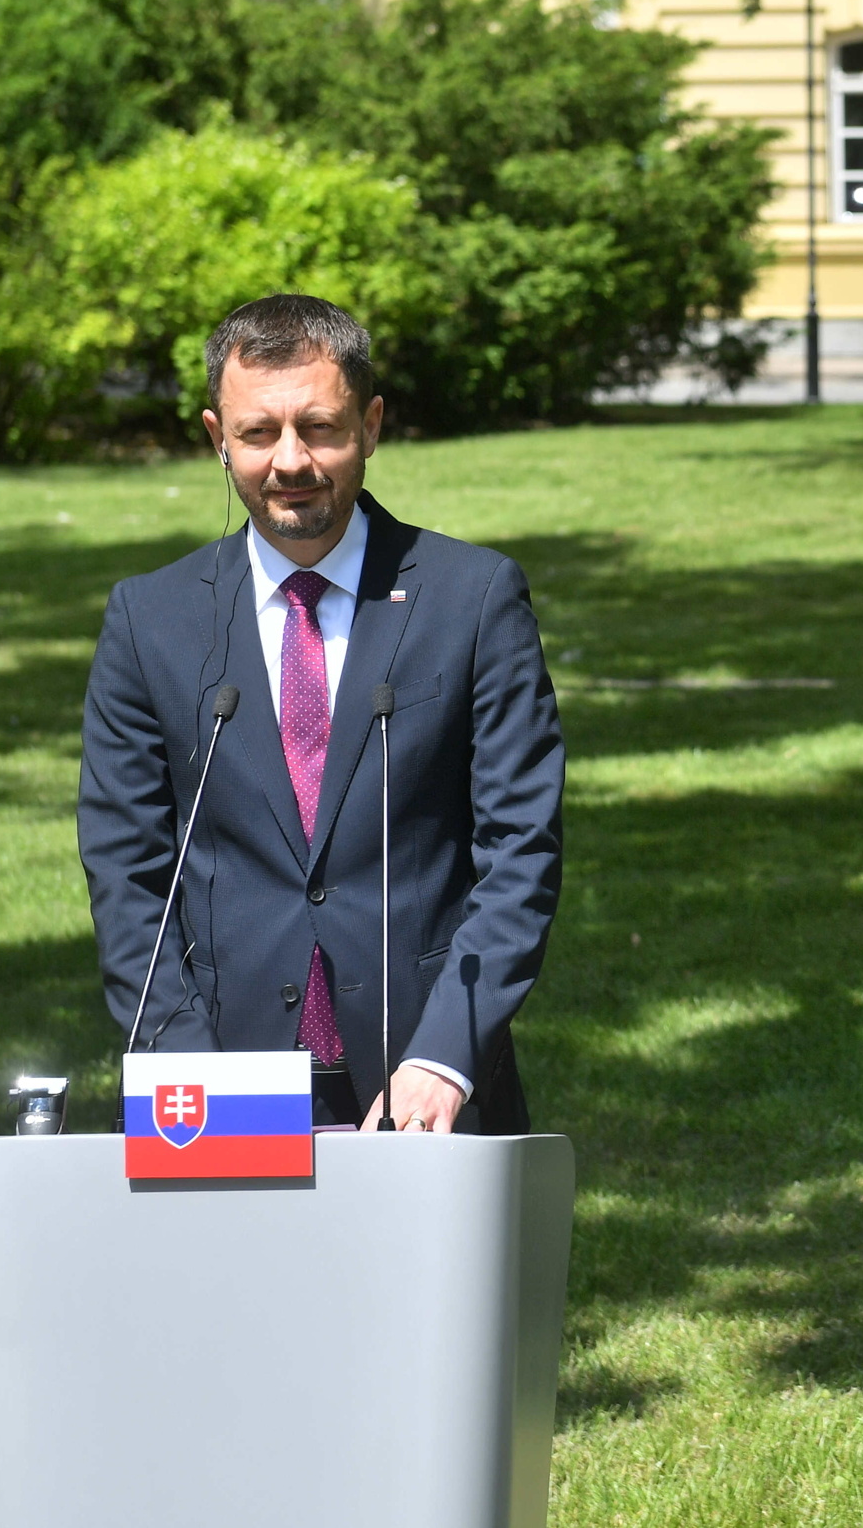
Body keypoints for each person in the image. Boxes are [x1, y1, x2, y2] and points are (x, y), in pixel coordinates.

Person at [80, 294, 565, 1134]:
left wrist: (446, 1055)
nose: (291, 460)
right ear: (216, 437)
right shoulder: (149, 620)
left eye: (321, 427)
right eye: (259, 432)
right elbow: (128, 879)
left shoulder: (474, 600)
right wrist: (190, 1075)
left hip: (425, 1089)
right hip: (217, 1086)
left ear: (371, 425)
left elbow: (521, 850)